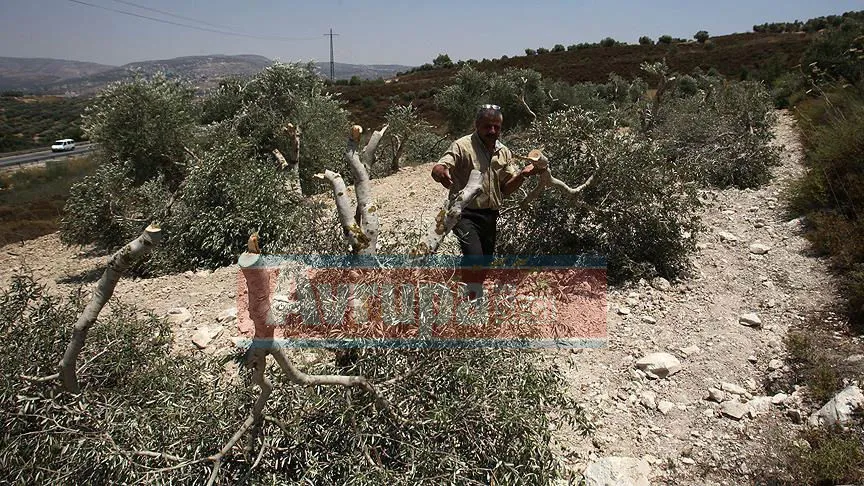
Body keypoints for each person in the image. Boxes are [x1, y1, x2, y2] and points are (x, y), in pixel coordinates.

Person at [431, 104, 544, 298]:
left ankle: (469, 294)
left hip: (490, 214)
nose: (492, 131)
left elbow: (506, 188)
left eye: (497, 127)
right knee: (474, 257)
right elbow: (441, 166)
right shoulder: (462, 145)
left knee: (485, 260)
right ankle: (470, 299)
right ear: (477, 125)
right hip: (464, 213)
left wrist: (523, 175)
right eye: (487, 126)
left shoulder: (504, 152)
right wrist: (440, 172)